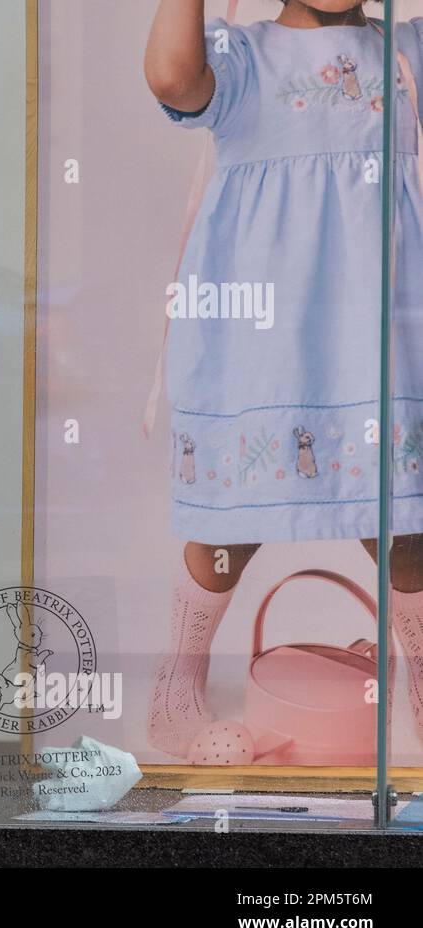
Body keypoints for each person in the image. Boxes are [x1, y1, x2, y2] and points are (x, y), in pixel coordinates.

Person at [144, 0, 423, 757]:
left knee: (403, 524)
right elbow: (170, 76)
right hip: (262, 345)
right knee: (230, 524)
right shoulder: (242, 60)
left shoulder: (405, 57)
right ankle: (173, 699)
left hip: (374, 345)